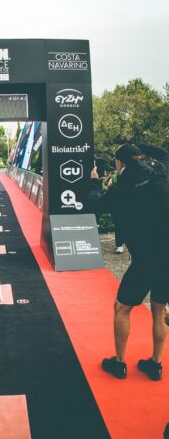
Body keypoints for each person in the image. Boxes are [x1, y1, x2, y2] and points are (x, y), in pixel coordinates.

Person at [89, 143, 169, 380]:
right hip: (166, 256)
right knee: (159, 309)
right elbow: (165, 154)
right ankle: (155, 364)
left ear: (119, 162)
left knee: (122, 308)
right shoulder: (160, 171)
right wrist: (139, 147)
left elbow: (96, 205)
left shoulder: (122, 186)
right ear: (140, 157)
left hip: (144, 260)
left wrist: (93, 182)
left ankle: (119, 363)